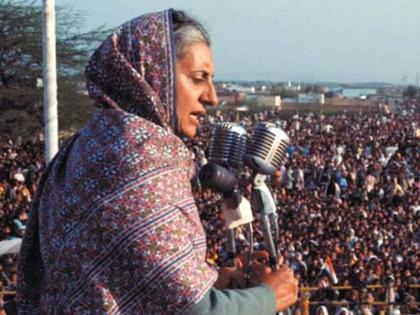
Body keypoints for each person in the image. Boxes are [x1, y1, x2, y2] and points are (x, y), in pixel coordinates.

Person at [16, 9, 298, 314]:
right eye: (198, 78)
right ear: (155, 75)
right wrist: (270, 296)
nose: (212, 97)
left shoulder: (90, 145)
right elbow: (196, 311)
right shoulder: (139, 160)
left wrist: (210, 283)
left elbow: (120, 281)